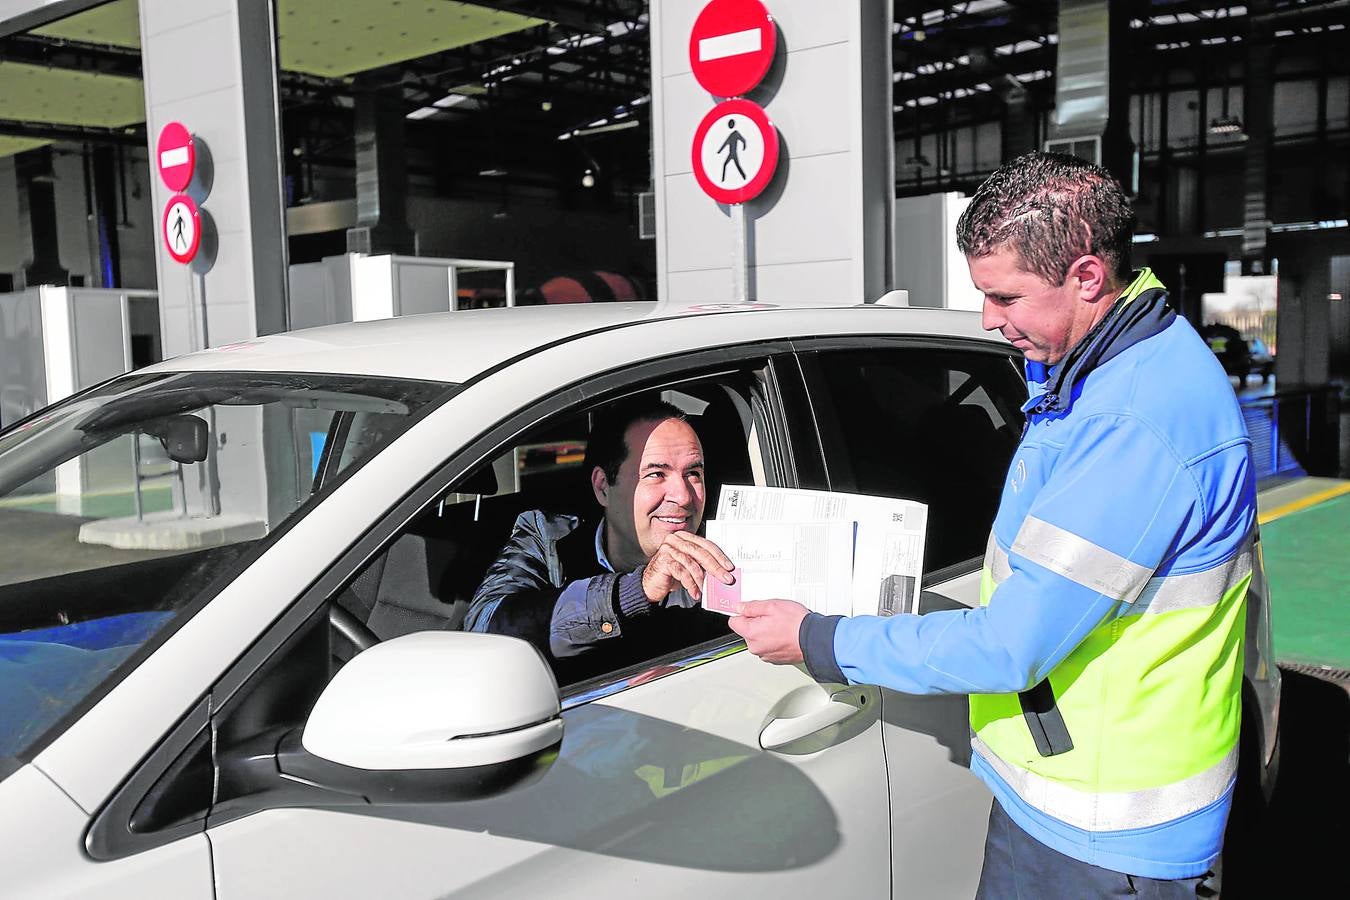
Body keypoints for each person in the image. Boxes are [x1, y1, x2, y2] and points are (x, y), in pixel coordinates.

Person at [731, 151, 1256, 898]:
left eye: (1005, 296)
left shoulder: (1136, 421)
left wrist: (818, 638)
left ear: (1085, 277)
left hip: (1108, 828)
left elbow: (1012, 646)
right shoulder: (1096, 367)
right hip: (1069, 790)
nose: (987, 320)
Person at [465, 398, 736, 683]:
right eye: (656, 474)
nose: (682, 496)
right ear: (603, 487)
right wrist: (634, 592)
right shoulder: (549, 540)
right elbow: (483, 634)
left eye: (693, 473)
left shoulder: (726, 558)